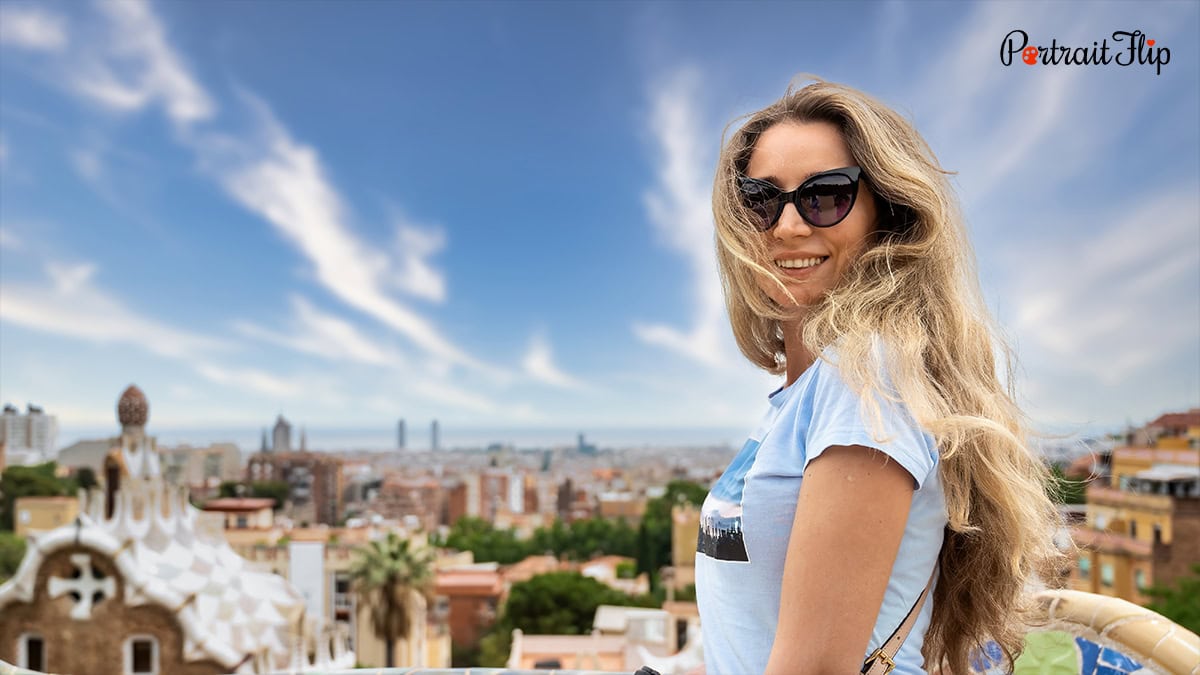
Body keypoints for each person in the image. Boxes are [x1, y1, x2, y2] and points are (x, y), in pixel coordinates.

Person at [694, 79, 1064, 675]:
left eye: (825, 195)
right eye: (759, 200)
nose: (786, 225)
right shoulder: (810, 392)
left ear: (887, 215)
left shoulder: (867, 374)